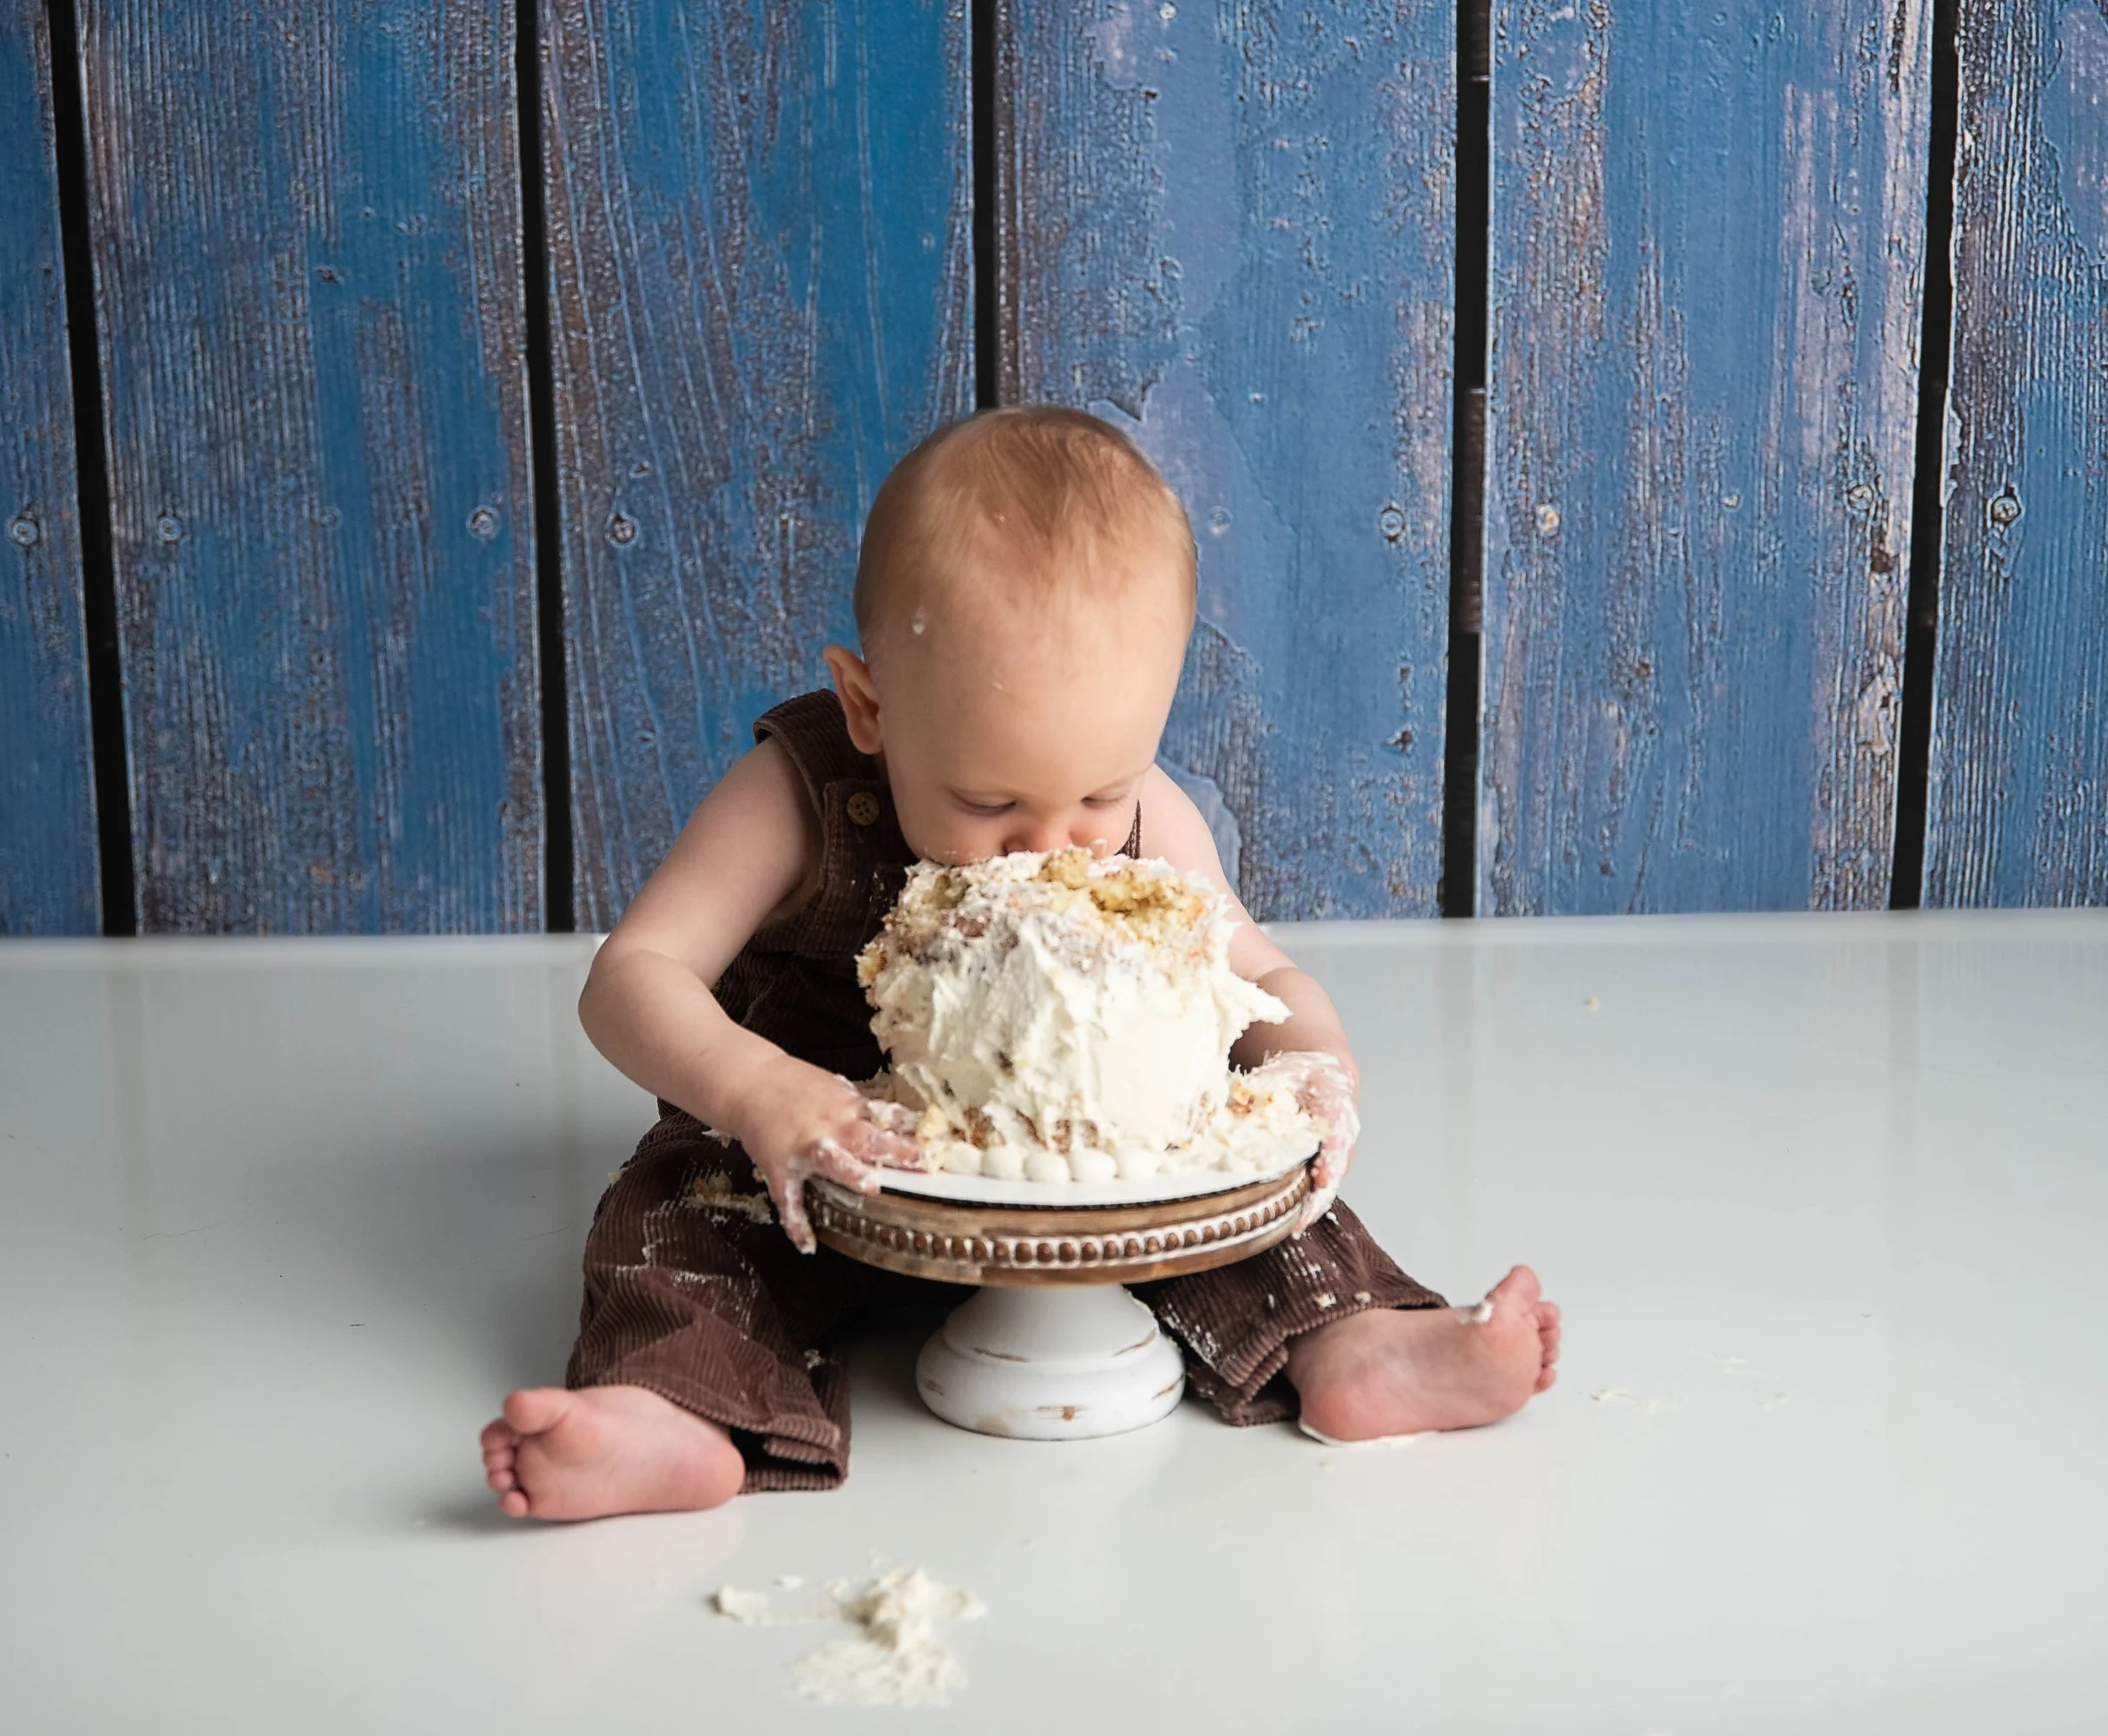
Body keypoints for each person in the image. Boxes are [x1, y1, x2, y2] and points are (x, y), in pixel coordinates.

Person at [480, 407, 1562, 1519]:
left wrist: (1313, 1065)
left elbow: (1264, 978)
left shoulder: (1154, 817)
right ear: (871, 708)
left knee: (1250, 1193)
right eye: (989, 801)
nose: (1055, 846)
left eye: (1100, 793)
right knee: (680, 1218)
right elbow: (632, 975)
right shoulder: (800, 799)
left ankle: (1354, 1345)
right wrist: (752, 1089)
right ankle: (675, 1408)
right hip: (812, 1163)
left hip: (1082, 1172)